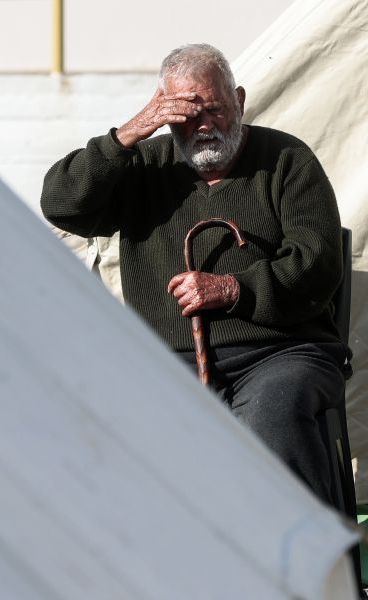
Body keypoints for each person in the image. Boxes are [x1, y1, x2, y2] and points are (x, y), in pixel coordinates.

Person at [41, 43, 346, 505]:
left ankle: (296, 549)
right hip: (169, 362)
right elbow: (60, 204)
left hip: (281, 352)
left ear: (239, 100)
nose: (203, 126)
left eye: (215, 110)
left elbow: (318, 263)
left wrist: (234, 289)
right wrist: (129, 133)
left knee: (274, 411)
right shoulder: (146, 166)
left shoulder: (286, 159)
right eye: (185, 114)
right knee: (106, 422)